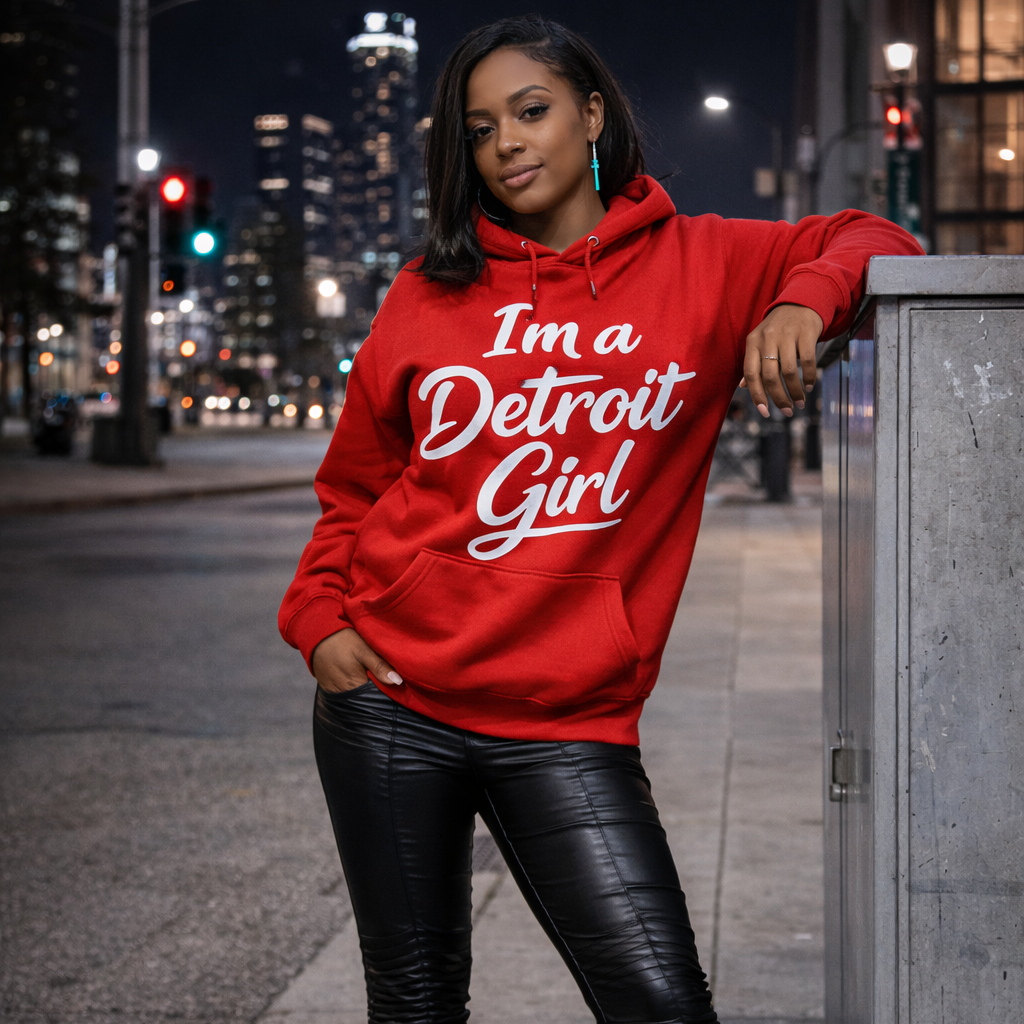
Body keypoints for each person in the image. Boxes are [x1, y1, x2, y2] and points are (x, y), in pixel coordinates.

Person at [279, 15, 921, 1024]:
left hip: (566, 722)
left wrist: (803, 300)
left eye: (530, 112)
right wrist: (321, 623)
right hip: (389, 704)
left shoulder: (701, 263)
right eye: (481, 128)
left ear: (588, 114)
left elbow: (872, 236)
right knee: (413, 1003)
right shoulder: (424, 293)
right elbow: (355, 487)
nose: (508, 144)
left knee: (662, 1004)